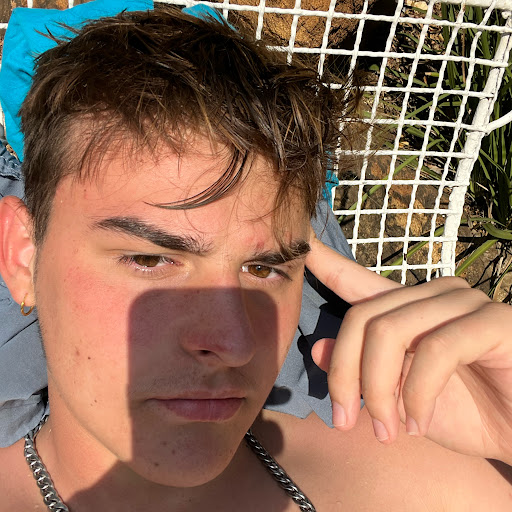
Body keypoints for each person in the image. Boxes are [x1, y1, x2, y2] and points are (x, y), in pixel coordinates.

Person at [1, 5, 512, 511]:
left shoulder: (413, 478)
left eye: (264, 268)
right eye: (150, 260)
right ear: (24, 256)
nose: (234, 344)